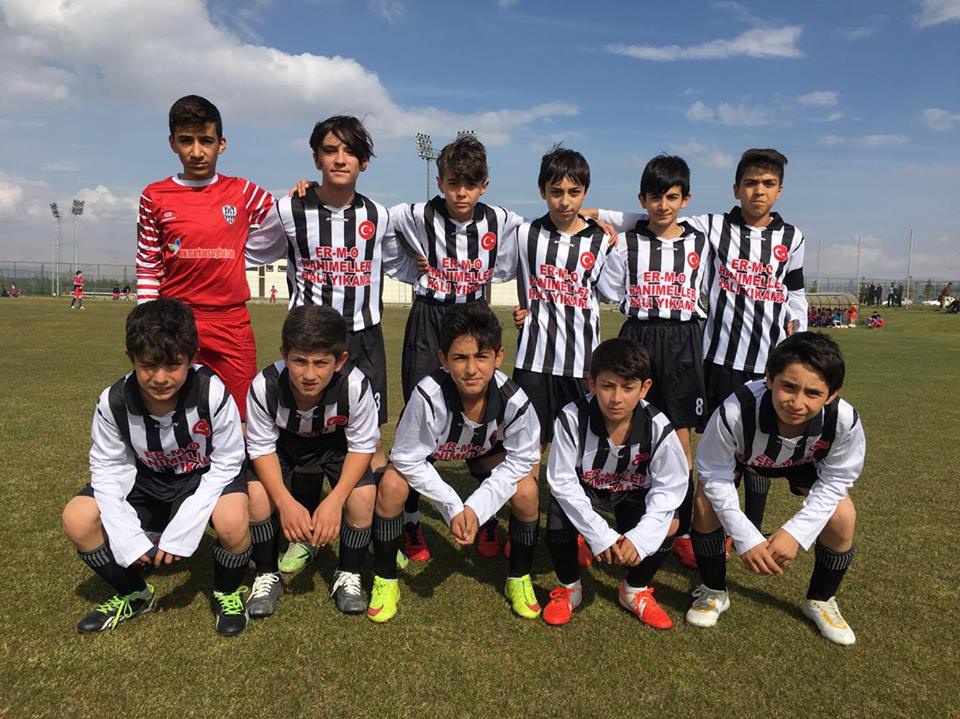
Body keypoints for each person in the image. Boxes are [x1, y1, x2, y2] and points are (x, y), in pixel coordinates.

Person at [253, 115, 411, 568]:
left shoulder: (379, 216)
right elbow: (255, 249)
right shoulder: (290, 210)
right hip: (310, 343)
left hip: (363, 338)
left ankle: (380, 533)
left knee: (371, 442)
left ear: (364, 161)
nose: (340, 159)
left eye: (350, 151)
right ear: (316, 157)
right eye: (330, 150)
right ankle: (303, 536)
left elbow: (401, 263)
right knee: (303, 431)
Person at [60, 299, 252, 636]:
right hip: (148, 478)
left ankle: (227, 591)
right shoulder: (113, 401)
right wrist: (127, 538)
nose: (160, 378)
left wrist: (184, 529)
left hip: (205, 474)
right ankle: (134, 593)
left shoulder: (211, 391)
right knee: (77, 517)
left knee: (233, 522)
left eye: (174, 365)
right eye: (148, 365)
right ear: (130, 358)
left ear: (192, 358)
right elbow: (107, 467)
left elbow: (228, 461)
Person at [386, 135, 525, 562]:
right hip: (430, 318)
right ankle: (411, 522)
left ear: (485, 185)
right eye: (452, 183)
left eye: (470, 184)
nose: (461, 192)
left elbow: (538, 237)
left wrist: (599, 220)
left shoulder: (501, 219)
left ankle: (486, 515)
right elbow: (376, 223)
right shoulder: (414, 214)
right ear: (440, 182)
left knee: (487, 417)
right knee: (420, 418)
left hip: (475, 317)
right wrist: (408, 263)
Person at [367, 303, 542, 622]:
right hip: (434, 449)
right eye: (460, 357)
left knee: (528, 490)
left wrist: (475, 508)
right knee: (391, 484)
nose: (471, 369)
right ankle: (385, 578)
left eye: (481, 356)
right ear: (443, 359)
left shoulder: (515, 401)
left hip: (486, 451)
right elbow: (406, 457)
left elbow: (521, 460)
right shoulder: (428, 394)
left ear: (498, 357)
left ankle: (519, 576)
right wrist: (452, 505)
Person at [686, 332, 864, 645]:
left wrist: (795, 533)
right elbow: (713, 474)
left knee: (843, 514)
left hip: (804, 461)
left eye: (813, 393)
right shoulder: (735, 411)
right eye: (789, 387)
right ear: (769, 378)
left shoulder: (843, 420)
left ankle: (820, 599)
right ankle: (713, 590)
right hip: (744, 458)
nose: (797, 402)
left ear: (832, 394)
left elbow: (837, 479)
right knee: (705, 502)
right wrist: (746, 537)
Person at [592, 155, 709, 569]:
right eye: (655, 197)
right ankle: (625, 517)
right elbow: (607, 289)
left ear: (685, 199)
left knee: (679, 439)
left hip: (683, 342)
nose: (663, 205)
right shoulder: (627, 243)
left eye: (672, 197)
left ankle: (681, 528)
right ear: (642, 199)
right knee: (629, 430)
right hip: (639, 336)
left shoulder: (701, 240)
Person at [135, 95, 278, 418]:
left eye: (206, 140)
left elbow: (285, 226)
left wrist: (304, 194)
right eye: (186, 140)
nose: (197, 152)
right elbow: (147, 262)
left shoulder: (244, 191)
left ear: (221, 144)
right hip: (176, 320)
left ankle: (240, 453)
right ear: (172, 143)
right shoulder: (154, 196)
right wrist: (148, 321)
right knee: (178, 413)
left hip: (231, 322)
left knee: (242, 415)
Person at [542, 338, 688, 628]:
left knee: (671, 522)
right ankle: (569, 587)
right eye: (607, 386)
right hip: (587, 490)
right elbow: (563, 483)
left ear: (644, 388)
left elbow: (669, 489)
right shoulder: (571, 418)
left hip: (632, 493)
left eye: (628, 387)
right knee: (558, 513)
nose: (616, 398)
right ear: (592, 383)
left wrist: (640, 538)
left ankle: (634, 590)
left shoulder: (658, 426)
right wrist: (600, 534)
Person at [244, 305, 380, 616]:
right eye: (299, 361)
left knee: (362, 495)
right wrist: (285, 503)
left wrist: (335, 500)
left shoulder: (355, 385)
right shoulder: (265, 385)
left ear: (340, 361)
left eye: (321, 363)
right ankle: (267, 573)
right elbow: (261, 448)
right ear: (284, 354)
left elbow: (362, 447)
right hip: (285, 445)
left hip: (334, 445)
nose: (309, 374)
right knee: (256, 495)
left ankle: (348, 573)